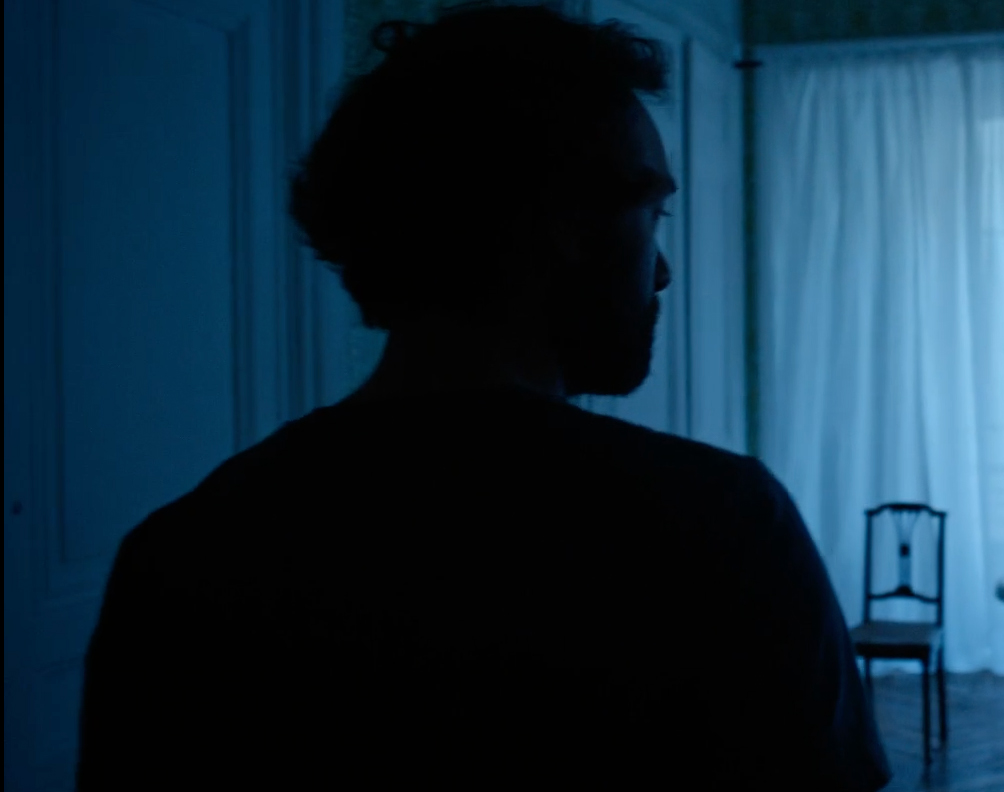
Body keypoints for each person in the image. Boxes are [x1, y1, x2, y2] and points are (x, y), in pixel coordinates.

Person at [74, 3, 890, 790]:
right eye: (652, 216)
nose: (664, 270)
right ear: (562, 225)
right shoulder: (725, 524)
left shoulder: (188, 549)